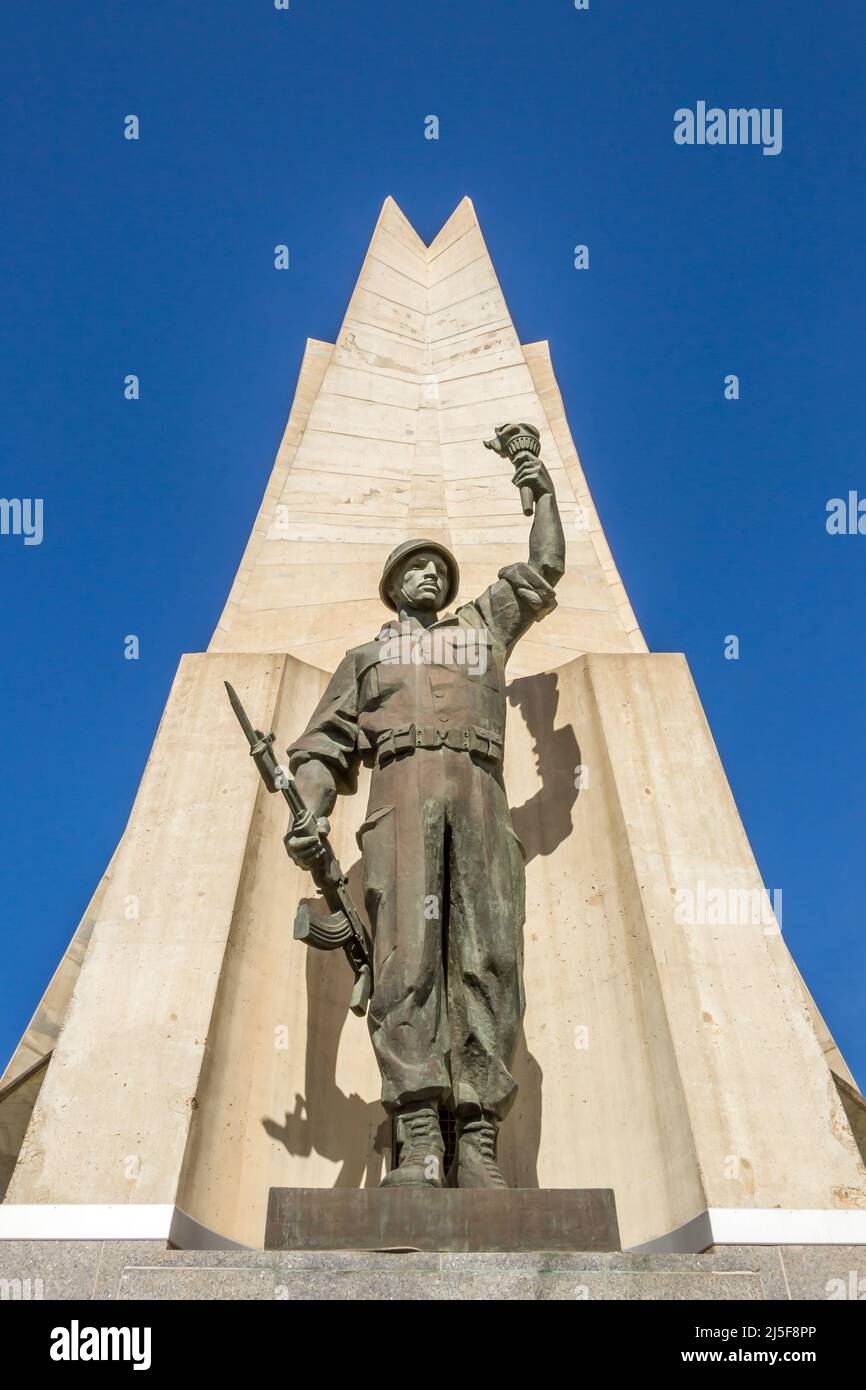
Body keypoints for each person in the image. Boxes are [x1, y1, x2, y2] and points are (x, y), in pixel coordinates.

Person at [285, 440, 565, 1187]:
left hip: (477, 789)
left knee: (489, 959)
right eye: (415, 566)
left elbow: (542, 572)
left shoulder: (481, 631)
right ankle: (416, 1133)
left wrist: (539, 493)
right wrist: (309, 812)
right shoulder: (364, 661)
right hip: (400, 794)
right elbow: (321, 747)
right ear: (392, 585)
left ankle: (476, 1137)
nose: (429, 574)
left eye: (438, 567)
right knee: (405, 961)